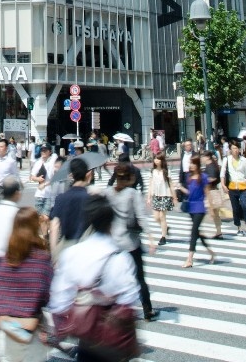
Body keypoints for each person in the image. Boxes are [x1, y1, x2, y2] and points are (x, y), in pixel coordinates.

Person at [46, 195, 140, 362]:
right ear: (111, 223)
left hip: (87, 334)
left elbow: (60, 298)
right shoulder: (121, 257)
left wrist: (61, 328)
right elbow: (130, 297)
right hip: (114, 337)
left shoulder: (73, 254)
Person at [0, 207, 53, 362]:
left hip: (6, 329)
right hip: (30, 331)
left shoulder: (5, 259)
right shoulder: (41, 260)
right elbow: (47, 295)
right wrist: (45, 235)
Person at [105, 163, 159, 321]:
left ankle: (111, 310)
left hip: (113, 241)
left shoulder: (108, 192)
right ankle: (147, 310)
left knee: (112, 277)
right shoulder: (133, 193)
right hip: (130, 242)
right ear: (130, 177)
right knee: (139, 277)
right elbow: (141, 217)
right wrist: (150, 237)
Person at [176, 156, 215, 267]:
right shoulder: (189, 176)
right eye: (190, 163)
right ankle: (211, 253)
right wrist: (179, 187)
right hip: (191, 207)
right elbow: (189, 192)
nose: (191, 165)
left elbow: (207, 193)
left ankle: (189, 259)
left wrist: (211, 208)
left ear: (197, 165)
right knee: (197, 233)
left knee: (193, 232)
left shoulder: (203, 177)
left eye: (193, 163)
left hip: (200, 207)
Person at [49, 158, 92, 262]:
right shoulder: (91, 198)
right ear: (88, 175)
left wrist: (54, 254)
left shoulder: (61, 198)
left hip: (67, 248)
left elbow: (54, 226)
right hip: (86, 250)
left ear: (71, 175)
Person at [220, 141, 246, 237]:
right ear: (230, 150)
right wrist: (223, 185)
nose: (235, 150)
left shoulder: (244, 160)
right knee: (235, 208)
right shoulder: (227, 160)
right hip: (232, 187)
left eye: (237, 148)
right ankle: (239, 227)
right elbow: (222, 173)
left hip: (243, 186)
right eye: (233, 148)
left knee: (245, 206)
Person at [146, 152, 178, 245]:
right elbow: (151, 184)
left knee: (162, 216)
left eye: (158, 159)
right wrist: (148, 197)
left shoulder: (166, 171)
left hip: (165, 195)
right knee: (156, 217)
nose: (156, 160)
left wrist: (174, 197)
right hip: (156, 196)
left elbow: (171, 185)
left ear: (162, 160)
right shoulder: (153, 171)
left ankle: (163, 237)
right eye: (155, 158)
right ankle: (166, 228)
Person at [30, 143, 58, 221]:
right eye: (42, 150)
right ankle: (46, 233)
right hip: (39, 194)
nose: (43, 152)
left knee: (46, 217)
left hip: (50, 194)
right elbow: (32, 176)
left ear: (49, 152)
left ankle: (48, 231)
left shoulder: (53, 161)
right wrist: (37, 179)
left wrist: (45, 184)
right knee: (40, 218)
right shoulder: (38, 162)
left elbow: (56, 177)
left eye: (45, 150)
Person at [202, 151, 224, 239]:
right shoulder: (212, 165)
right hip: (213, 191)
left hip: (211, 192)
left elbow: (212, 178)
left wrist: (203, 182)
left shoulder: (210, 166)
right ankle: (218, 232)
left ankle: (205, 232)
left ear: (207, 157)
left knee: (207, 212)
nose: (202, 159)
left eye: (203, 156)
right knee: (215, 214)